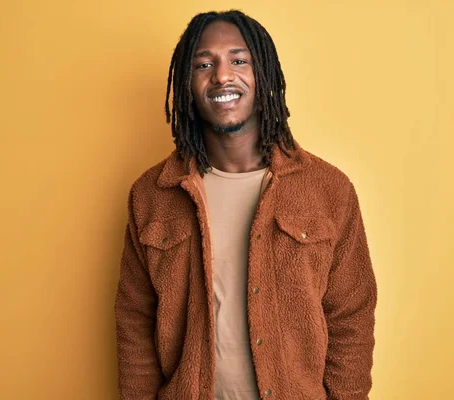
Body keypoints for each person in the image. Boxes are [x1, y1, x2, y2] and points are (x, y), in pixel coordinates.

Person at [115, 10, 377, 400]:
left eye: (239, 61)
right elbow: (135, 321)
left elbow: (351, 316)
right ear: (187, 84)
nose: (222, 75)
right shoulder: (153, 194)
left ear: (264, 77)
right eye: (204, 64)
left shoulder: (328, 190)